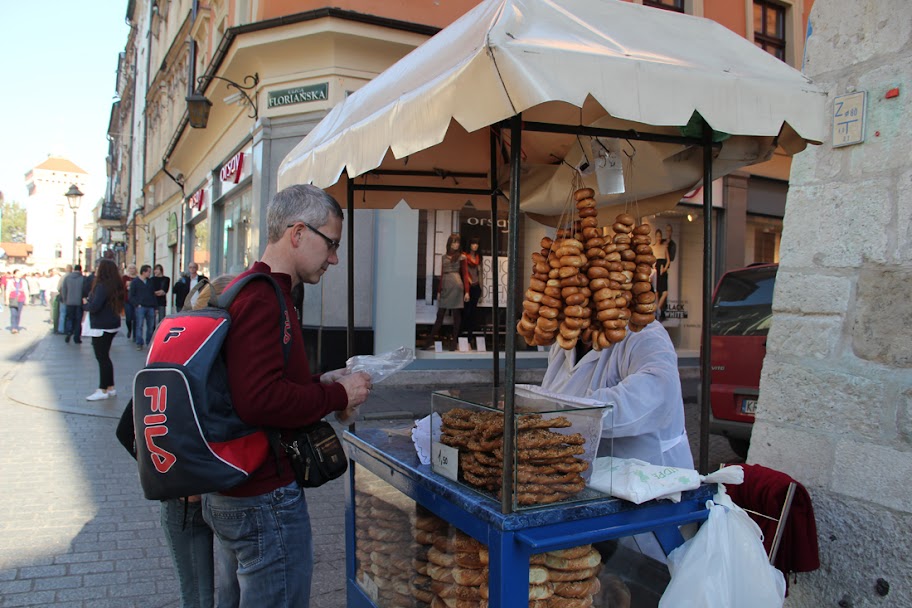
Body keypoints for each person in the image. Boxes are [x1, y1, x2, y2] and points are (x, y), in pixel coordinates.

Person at [201, 184, 371, 608]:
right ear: (297, 233)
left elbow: (262, 382)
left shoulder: (261, 290)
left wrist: (319, 381)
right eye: (330, 243)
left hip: (241, 490)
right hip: (263, 495)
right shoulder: (262, 297)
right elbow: (259, 400)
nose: (334, 257)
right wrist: (335, 395)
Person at [158, 273, 237, 608]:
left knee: (199, 596)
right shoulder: (230, 356)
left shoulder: (172, 346)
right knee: (231, 593)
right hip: (223, 492)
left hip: (183, 494)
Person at [540, 321, 691, 468]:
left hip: (651, 477)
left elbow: (650, 398)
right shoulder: (563, 344)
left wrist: (563, 415)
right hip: (588, 477)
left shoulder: (645, 334)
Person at [83, 259, 125, 401]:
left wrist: (85, 305)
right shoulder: (116, 284)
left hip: (101, 325)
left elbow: (95, 306)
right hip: (112, 323)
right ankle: (110, 387)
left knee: (102, 357)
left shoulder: (101, 286)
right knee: (105, 357)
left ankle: (102, 389)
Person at [424, 233, 469, 349]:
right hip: (446, 285)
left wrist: (467, 291)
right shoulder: (444, 257)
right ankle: (430, 340)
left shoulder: (462, 257)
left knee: (456, 314)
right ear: (449, 243)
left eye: (458, 242)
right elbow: (442, 274)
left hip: (456, 285)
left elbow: (465, 274)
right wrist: (439, 291)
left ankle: (454, 342)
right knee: (440, 314)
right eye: (454, 242)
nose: (456, 245)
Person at [460, 237, 484, 346]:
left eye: (477, 244)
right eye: (473, 243)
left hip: (476, 287)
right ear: (469, 245)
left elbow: (480, 274)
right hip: (467, 287)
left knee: (473, 314)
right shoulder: (465, 256)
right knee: (465, 312)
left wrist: (481, 289)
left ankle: (469, 338)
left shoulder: (479, 257)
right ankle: (461, 337)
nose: (475, 246)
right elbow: (463, 273)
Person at [128, 265, 157, 350]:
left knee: (151, 326)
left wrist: (155, 307)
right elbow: (131, 295)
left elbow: (153, 294)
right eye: (148, 271)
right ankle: (139, 342)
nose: (150, 273)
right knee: (139, 325)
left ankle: (149, 342)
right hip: (141, 307)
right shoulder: (135, 282)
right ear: (143, 272)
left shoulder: (150, 281)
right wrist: (136, 304)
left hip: (150, 306)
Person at [60, 265, 86, 344]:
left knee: (69, 318)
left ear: (74, 270)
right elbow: (85, 290)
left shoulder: (67, 278)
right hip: (79, 302)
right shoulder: (83, 279)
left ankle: (68, 332)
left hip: (69, 302)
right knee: (78, 320)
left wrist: (65, 299)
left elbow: (63, 289)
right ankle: (77, 337)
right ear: (80, 270)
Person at [652, 228, 670, 321]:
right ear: (655, 237)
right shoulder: (653, 247)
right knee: (656, 291)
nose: (658, 238)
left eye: (660, 236)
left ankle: (657, 308)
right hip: (655, 269)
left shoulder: (664, 247)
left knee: (665, 292)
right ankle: (657, 313)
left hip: (662, 269)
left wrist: (665, 268)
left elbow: (668, 260)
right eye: (657, 236)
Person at [7, 269, 29, 334]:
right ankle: (13, 327)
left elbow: (26, 290)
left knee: (18, 314)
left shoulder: (24, 281)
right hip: (13, 298)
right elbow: (8, 290)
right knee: (13, 314)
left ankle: (16, 326)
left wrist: (27, 299)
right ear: (14, 274)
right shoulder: (10, 281)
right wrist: (7, 300)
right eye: (18, 273)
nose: (19, 274)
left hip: (21, 299)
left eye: (20, 273)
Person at [122, 263, 138, 339]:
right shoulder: (124, 278)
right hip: (127, 300)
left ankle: (135, 334)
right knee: (128, 318)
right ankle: (129, 330)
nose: (132, 270)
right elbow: (121, 288)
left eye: (133, 268)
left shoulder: (137, 278)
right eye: (130, 268)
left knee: (135, 318)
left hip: (135, 300)